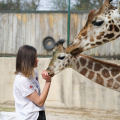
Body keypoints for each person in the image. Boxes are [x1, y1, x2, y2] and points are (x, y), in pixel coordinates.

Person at [13, 45, 51, 120]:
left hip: (39, 113)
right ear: (28, 60)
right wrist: (48, 81)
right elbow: (39, 102)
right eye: (35, 58)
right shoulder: (22, 80)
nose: (37, 60)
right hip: (29, 117)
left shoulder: (34, 73)